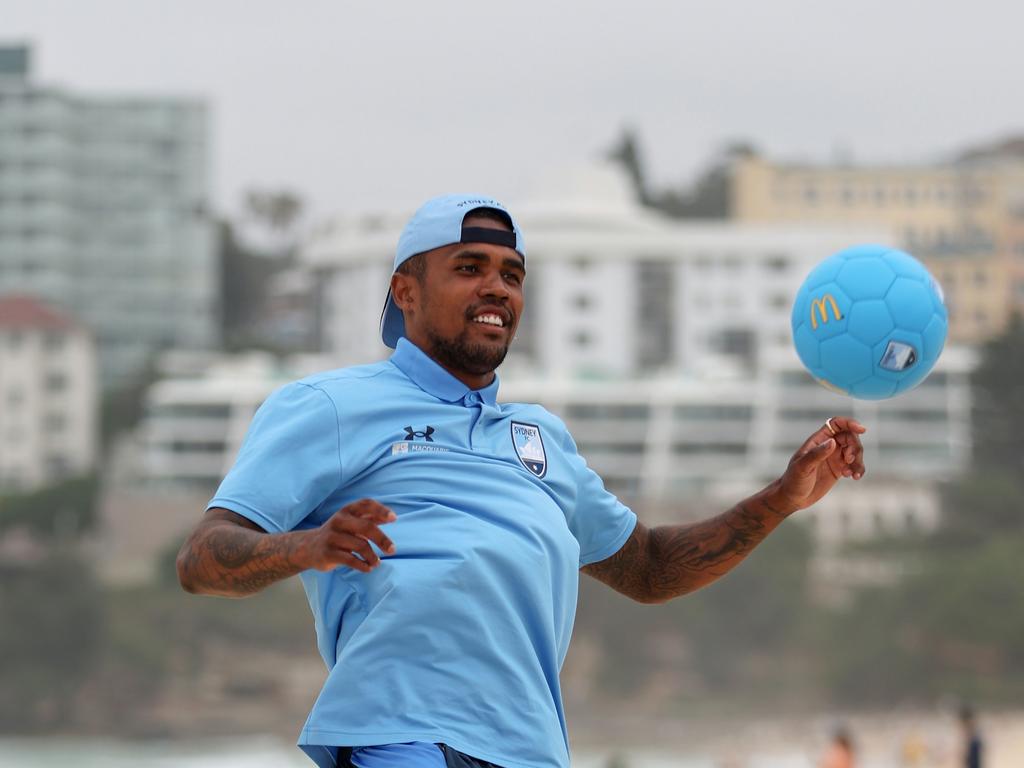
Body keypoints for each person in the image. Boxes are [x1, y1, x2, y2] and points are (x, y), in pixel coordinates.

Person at [176, 194, 867, 768]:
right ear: (405, 290)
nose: (496, 287)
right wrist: (307, 547)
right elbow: (202, 560)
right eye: (469, 266)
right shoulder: (329, 406)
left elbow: (651, 568)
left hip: (532, 751)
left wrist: (782, 499)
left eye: (512, 273)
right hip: (403, 735)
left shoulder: (541, 439)